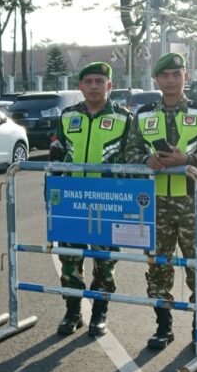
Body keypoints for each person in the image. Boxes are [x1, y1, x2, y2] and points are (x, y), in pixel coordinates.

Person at [125, 52, 197, 350]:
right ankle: (163, 326)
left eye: (176, 74)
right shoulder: (144, 114)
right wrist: (146, 159)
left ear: (186, 77)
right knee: (158, 265)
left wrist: (188, 159)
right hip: (155, 204)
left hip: (192, 202)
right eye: (164, 75)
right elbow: (130, 153)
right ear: (156, 79)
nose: (170, 80)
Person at [48, 62, 133, 337]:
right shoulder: (68, 116)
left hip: (109, 201)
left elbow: (133, 160)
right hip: (72, 202)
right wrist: (52, 200)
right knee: (70, 261)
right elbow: (57, 157)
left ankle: (99, 312)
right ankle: (73, 312)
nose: (94, 86)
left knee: (105, 262)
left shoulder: (124, 118)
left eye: (100, 81)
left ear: (109, 85)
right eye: (89, 82)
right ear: (80, 86)